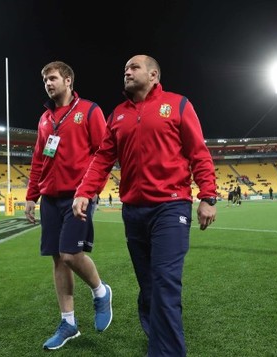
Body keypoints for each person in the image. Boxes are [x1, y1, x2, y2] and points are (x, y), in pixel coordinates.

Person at [73, 55, 217, 357]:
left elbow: (198, 152)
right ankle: (156, 334)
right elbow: (102, 158)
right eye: (125, 68)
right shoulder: (117, 115)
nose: (126, 71)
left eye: (134, 67)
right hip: (133, 211)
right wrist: (85, 190)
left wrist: (208, 196)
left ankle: (166, 351)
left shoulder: (178, 105)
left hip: (171, 207)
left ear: (153, 75)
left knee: (165, 282)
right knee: (149, 285)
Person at [24, 61, 112, 351]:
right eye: (45, 80)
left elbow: (104, 154)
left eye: (52, 78)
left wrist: (91, 191)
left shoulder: (89, 110)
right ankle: (69, 323)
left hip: (79, 196)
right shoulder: (44, 119)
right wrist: (31, 196)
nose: (48, 83)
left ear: (68, 80)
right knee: (57, 260)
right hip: (49, 197)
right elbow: (39, 160)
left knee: (70, 254)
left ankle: (101, 292)